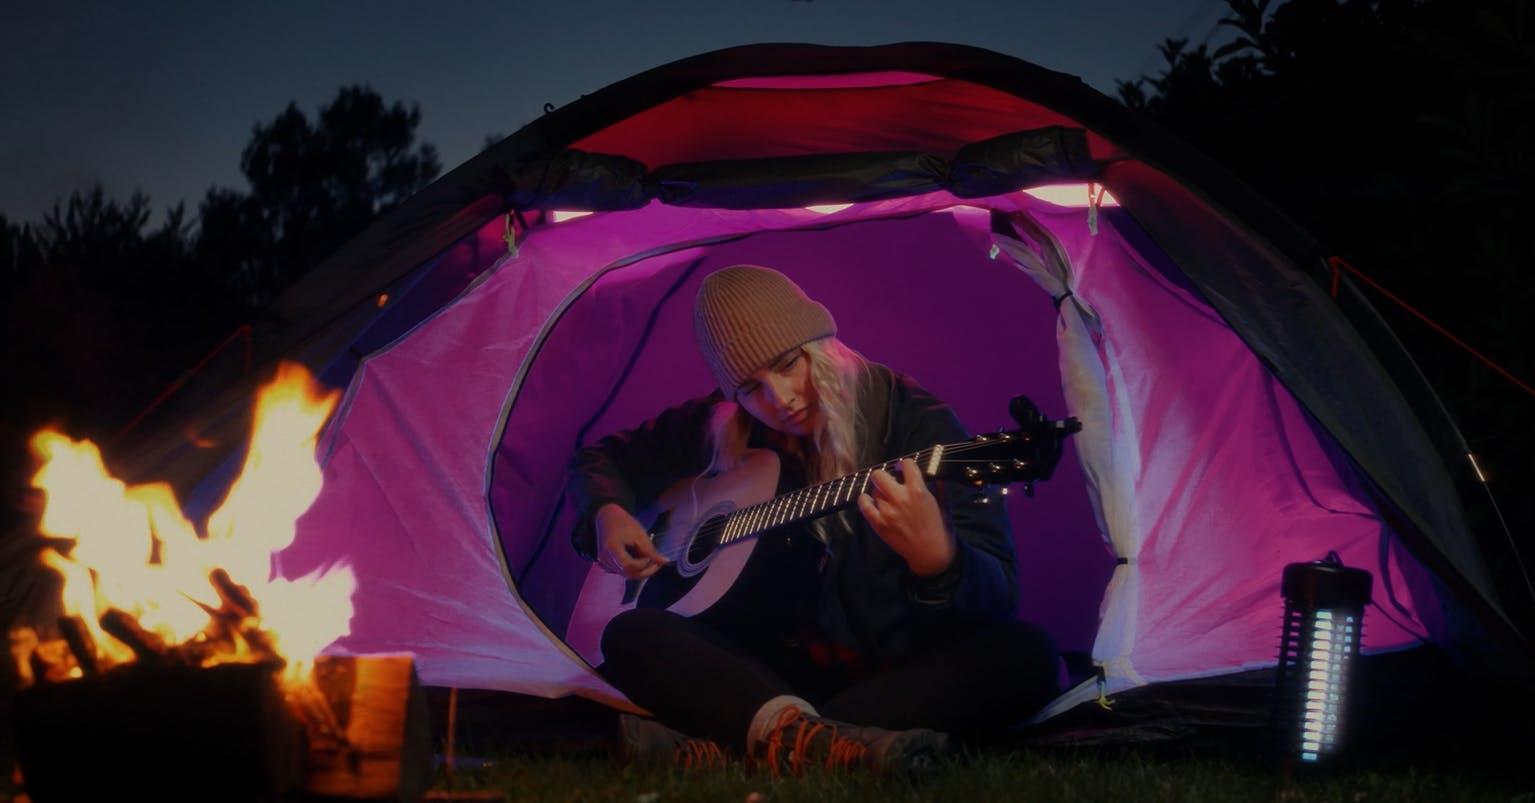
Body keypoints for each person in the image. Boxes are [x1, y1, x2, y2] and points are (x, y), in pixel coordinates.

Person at [567, 265, 1060, 775]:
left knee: (1029, 656)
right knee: (630, 632)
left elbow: (997, 597)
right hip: (759, 669)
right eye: (751, 388)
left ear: (821, 345)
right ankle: (824, 743)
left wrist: (939, 561)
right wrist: (606, 513)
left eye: (788, 365)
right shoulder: (723, 422)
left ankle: (750, 740)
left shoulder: (916, 422)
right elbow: (599, 460)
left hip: (880, 674)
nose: (779, 400)